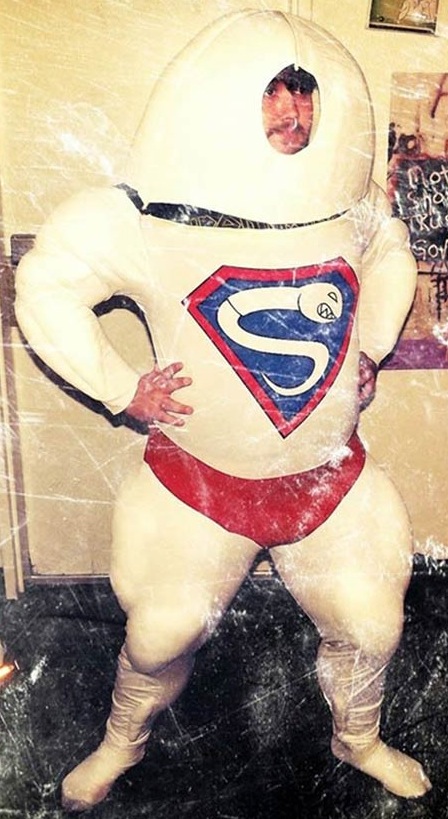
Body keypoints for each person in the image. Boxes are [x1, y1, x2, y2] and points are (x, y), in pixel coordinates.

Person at [15, 10, 430, 812]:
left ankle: (358, 736)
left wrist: (372, 344)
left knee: (374, 624)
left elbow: (389, 249)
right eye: (273, 92)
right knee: (158, 632)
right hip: (198, 485)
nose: (293, 112)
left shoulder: (351, 204)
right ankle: (123, 739)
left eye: (305, 94)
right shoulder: (145, 217)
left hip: (326, 480)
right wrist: (121, 387)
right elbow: (48, 281)